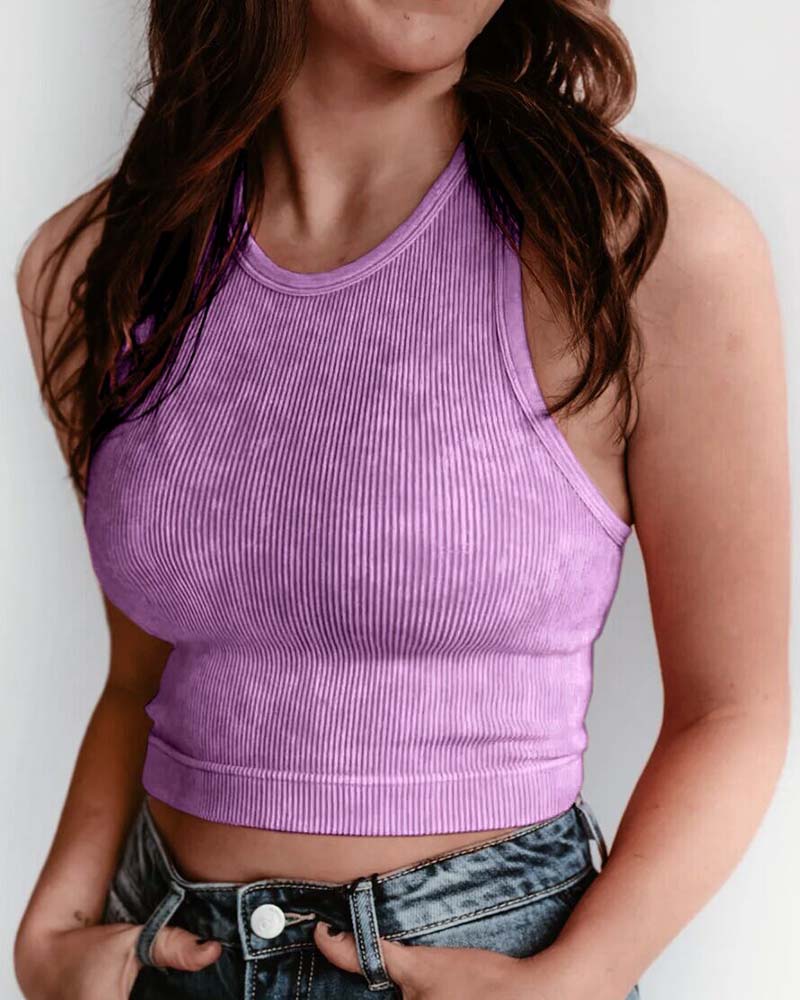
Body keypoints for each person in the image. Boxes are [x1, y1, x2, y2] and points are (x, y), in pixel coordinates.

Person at [12, 1, 790, 999]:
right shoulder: (93, 266)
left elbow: (733, 709)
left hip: (487, 961)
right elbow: (141, 675)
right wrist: (52, 929)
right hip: (164, 948)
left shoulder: (644, 248)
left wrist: (576, 981)